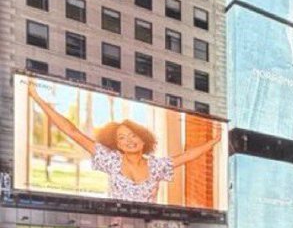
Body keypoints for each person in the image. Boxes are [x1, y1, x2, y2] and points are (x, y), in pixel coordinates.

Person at [27, 78, 220, 203]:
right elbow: (73, 132)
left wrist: (214, 141)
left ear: (143, 140)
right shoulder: (110, 159)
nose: (129, 141)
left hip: (146, 227)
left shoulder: (156, 166)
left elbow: (188, 156)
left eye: (133, 135)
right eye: (122, 138)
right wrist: (37, 98)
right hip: (114, 224)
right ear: (117, 145)